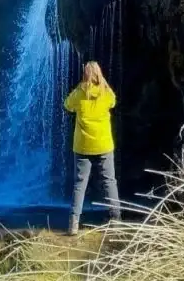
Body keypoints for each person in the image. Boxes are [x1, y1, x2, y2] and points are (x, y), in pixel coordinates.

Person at [63, 60, 121, 236]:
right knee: (109, 182)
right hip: (103, 145)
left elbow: (67, 104)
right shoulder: (105, 93)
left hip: (83, 147)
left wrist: (81, 87)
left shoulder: (80, 93)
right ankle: (116, 221)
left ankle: (74, 223)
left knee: (80, 184)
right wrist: (103, 83)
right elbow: (113, 102)